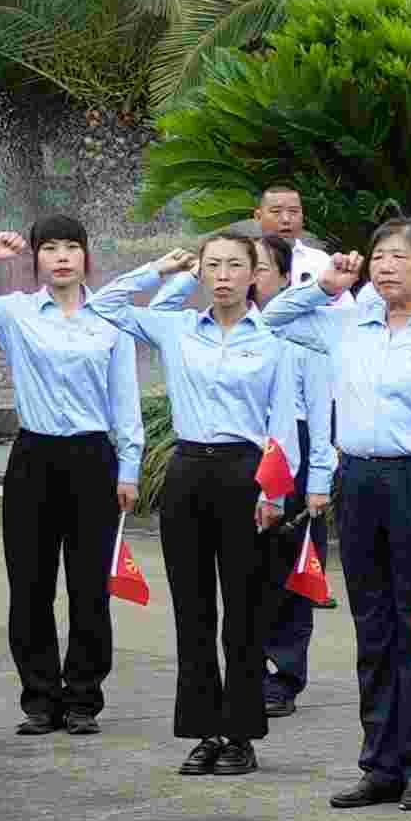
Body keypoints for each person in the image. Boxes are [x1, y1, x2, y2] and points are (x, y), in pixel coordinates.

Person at [258, 224, 411, 811]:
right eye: (379, 257)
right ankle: (378, 764)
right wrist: (326, 285)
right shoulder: (345, 327)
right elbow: (276, 318)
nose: (386, 267)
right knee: (374, 627)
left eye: (400, 257)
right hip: (359, 482)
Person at [94, 232, 295, 775]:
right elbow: (102, 304)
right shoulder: (177, 326)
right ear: (202, 274)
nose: (224, 275)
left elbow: (282, 423)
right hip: (187, 471)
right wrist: (163, 270)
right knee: (194, 611)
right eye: (213, 266)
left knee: (244, 614)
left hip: (244, 474)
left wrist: (274, 491)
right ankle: (204, 730)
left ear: (255, 273)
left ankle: (242, 734)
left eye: (235, 265)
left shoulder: (275, 341)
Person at [0, 217, 139, 739]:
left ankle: (84, 699)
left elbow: (126, 403)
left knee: (90, 587)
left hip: (94, 459)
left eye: (72, 248)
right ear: (37, 260)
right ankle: (40, 699)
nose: (63, 257)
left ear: (86, 257)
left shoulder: (109, 318)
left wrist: (130, 468)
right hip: (34, 458)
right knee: (31, 585)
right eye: (51, 248)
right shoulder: (15, 312)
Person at [249, 231, 333, 725]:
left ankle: (283, 676)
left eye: (259, 267)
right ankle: (245, 667)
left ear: (285, 277)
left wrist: (319, 479)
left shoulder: (304, 338)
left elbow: (321, 419)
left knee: (292, 573)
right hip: (241, 456)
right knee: (246, 573)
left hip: (294, 458)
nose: (245, 276)